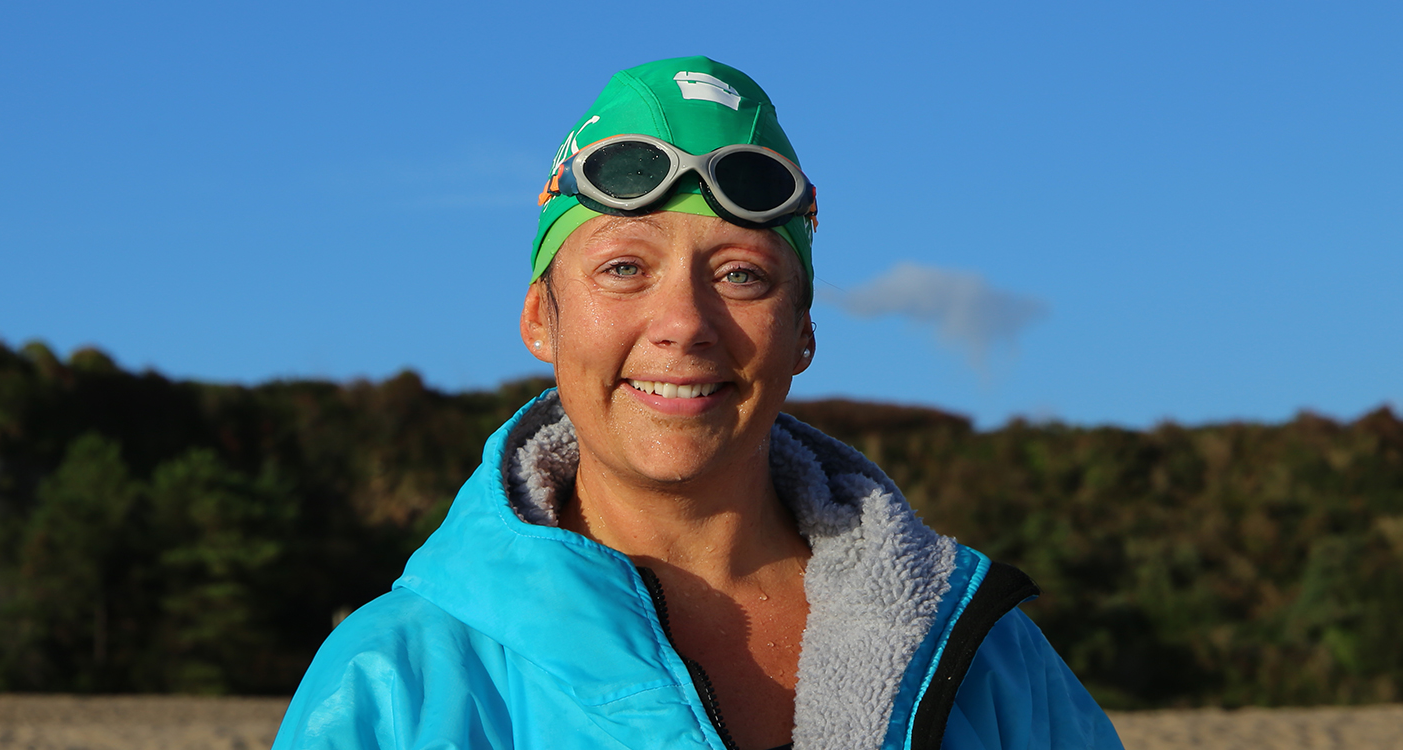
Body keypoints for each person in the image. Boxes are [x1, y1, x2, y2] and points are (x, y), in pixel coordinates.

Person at [271, 56, 1123, 750]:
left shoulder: (985, 663)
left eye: (741, 275)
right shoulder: (394, 682)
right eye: (623, 268)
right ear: (542, 318)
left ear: (802, 337)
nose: (682, 323)